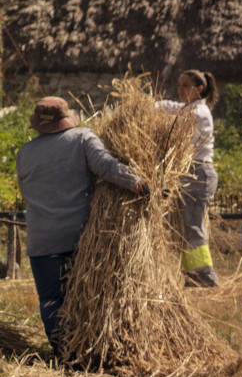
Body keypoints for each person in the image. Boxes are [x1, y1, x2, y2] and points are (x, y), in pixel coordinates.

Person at [15, 97, 145, 359]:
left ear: (38, 124)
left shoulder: (24, 153)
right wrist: (138, 183)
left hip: (42, 242)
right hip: (80, 239)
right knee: (88, 299)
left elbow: (26, 191)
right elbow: (106, 167)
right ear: (66, 118)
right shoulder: (82, 138)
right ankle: (91, 352)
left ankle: (64, 354)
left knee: (52, 300)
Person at [155, 69, 220, 286]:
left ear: (198, 89)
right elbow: (170, 107)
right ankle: (194, 276)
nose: (180, 89)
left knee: (192, 227)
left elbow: (176, 119)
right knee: (188, 226)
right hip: (193, 173)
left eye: (185, 86)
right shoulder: (190, 108)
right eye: (179, 85)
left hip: (198, 173)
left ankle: (205, 277)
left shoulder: (198, 113)